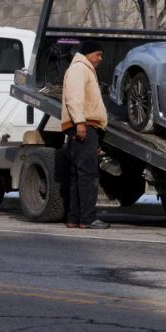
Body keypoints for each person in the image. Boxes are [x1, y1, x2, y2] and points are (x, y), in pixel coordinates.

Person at [61, 40, 109, 229]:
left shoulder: (83, 69)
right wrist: (80, 122)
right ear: (89, 54)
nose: (100, 58)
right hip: (84, 126)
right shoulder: (80, 68)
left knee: (78, 175)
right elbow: (74, 97)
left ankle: (75, 218)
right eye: (98, 54)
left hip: (86, 127)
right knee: (88, 175)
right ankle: (88, 218)